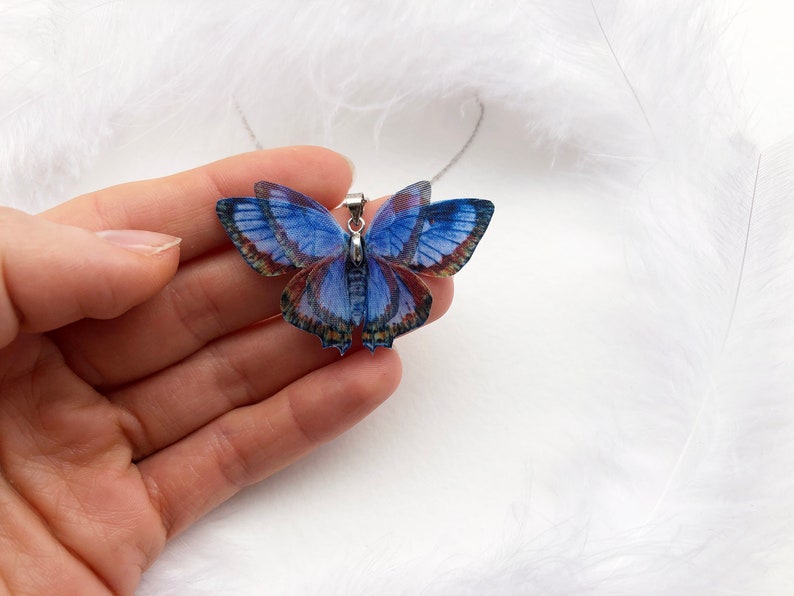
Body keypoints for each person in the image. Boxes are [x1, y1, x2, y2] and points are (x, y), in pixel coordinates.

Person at [0, 146, 453, 594]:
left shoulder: (318, 226)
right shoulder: (382, 227)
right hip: (367, 286)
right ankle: (368, 329)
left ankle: (350, 330)